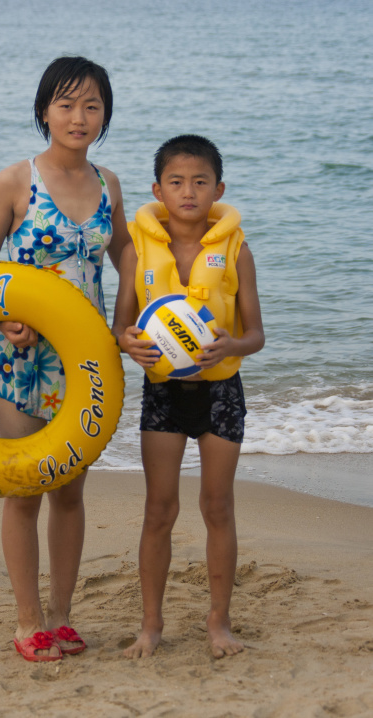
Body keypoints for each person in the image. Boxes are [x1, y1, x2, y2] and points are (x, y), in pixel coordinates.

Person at [0, 56, 131, 662]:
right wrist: (2, 316)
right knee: (26, 488)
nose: (79, 117)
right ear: (44, 111)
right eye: (66, 104)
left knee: (69, 492)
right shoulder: (15, 182)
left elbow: (128, 260)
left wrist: (126, 323)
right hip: (22, 361)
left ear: (104, 116)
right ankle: (26, 621)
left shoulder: (109, 183)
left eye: (92, 106)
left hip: (85, 365)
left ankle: (62, 618)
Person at [112, 134, 264, 659]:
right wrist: (130, 344)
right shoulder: (136, 250)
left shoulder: (236, 249)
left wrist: (231, 342)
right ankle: (150, 626)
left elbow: (256, 336)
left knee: (218, 507)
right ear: (157, 189)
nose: (188, 191)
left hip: (221, 391)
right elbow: (121, 327)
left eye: (201, 182)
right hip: (163, 396)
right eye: (176, 182)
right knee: (159, 510)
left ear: (218, 188)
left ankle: (218, 622)